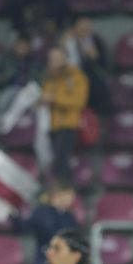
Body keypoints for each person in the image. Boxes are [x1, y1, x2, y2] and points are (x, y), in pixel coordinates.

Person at [40, 46, 88, 181]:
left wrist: (54, 99)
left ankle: (65, 189)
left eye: (58, 58)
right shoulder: (48, 77)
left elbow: (79, 101)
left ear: (65, 59)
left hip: (68, 125)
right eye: (52, 59)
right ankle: (57, 188)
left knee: (61, 161)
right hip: (49, 125)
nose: (55, 61)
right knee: (52, 162)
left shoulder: (77, 76)